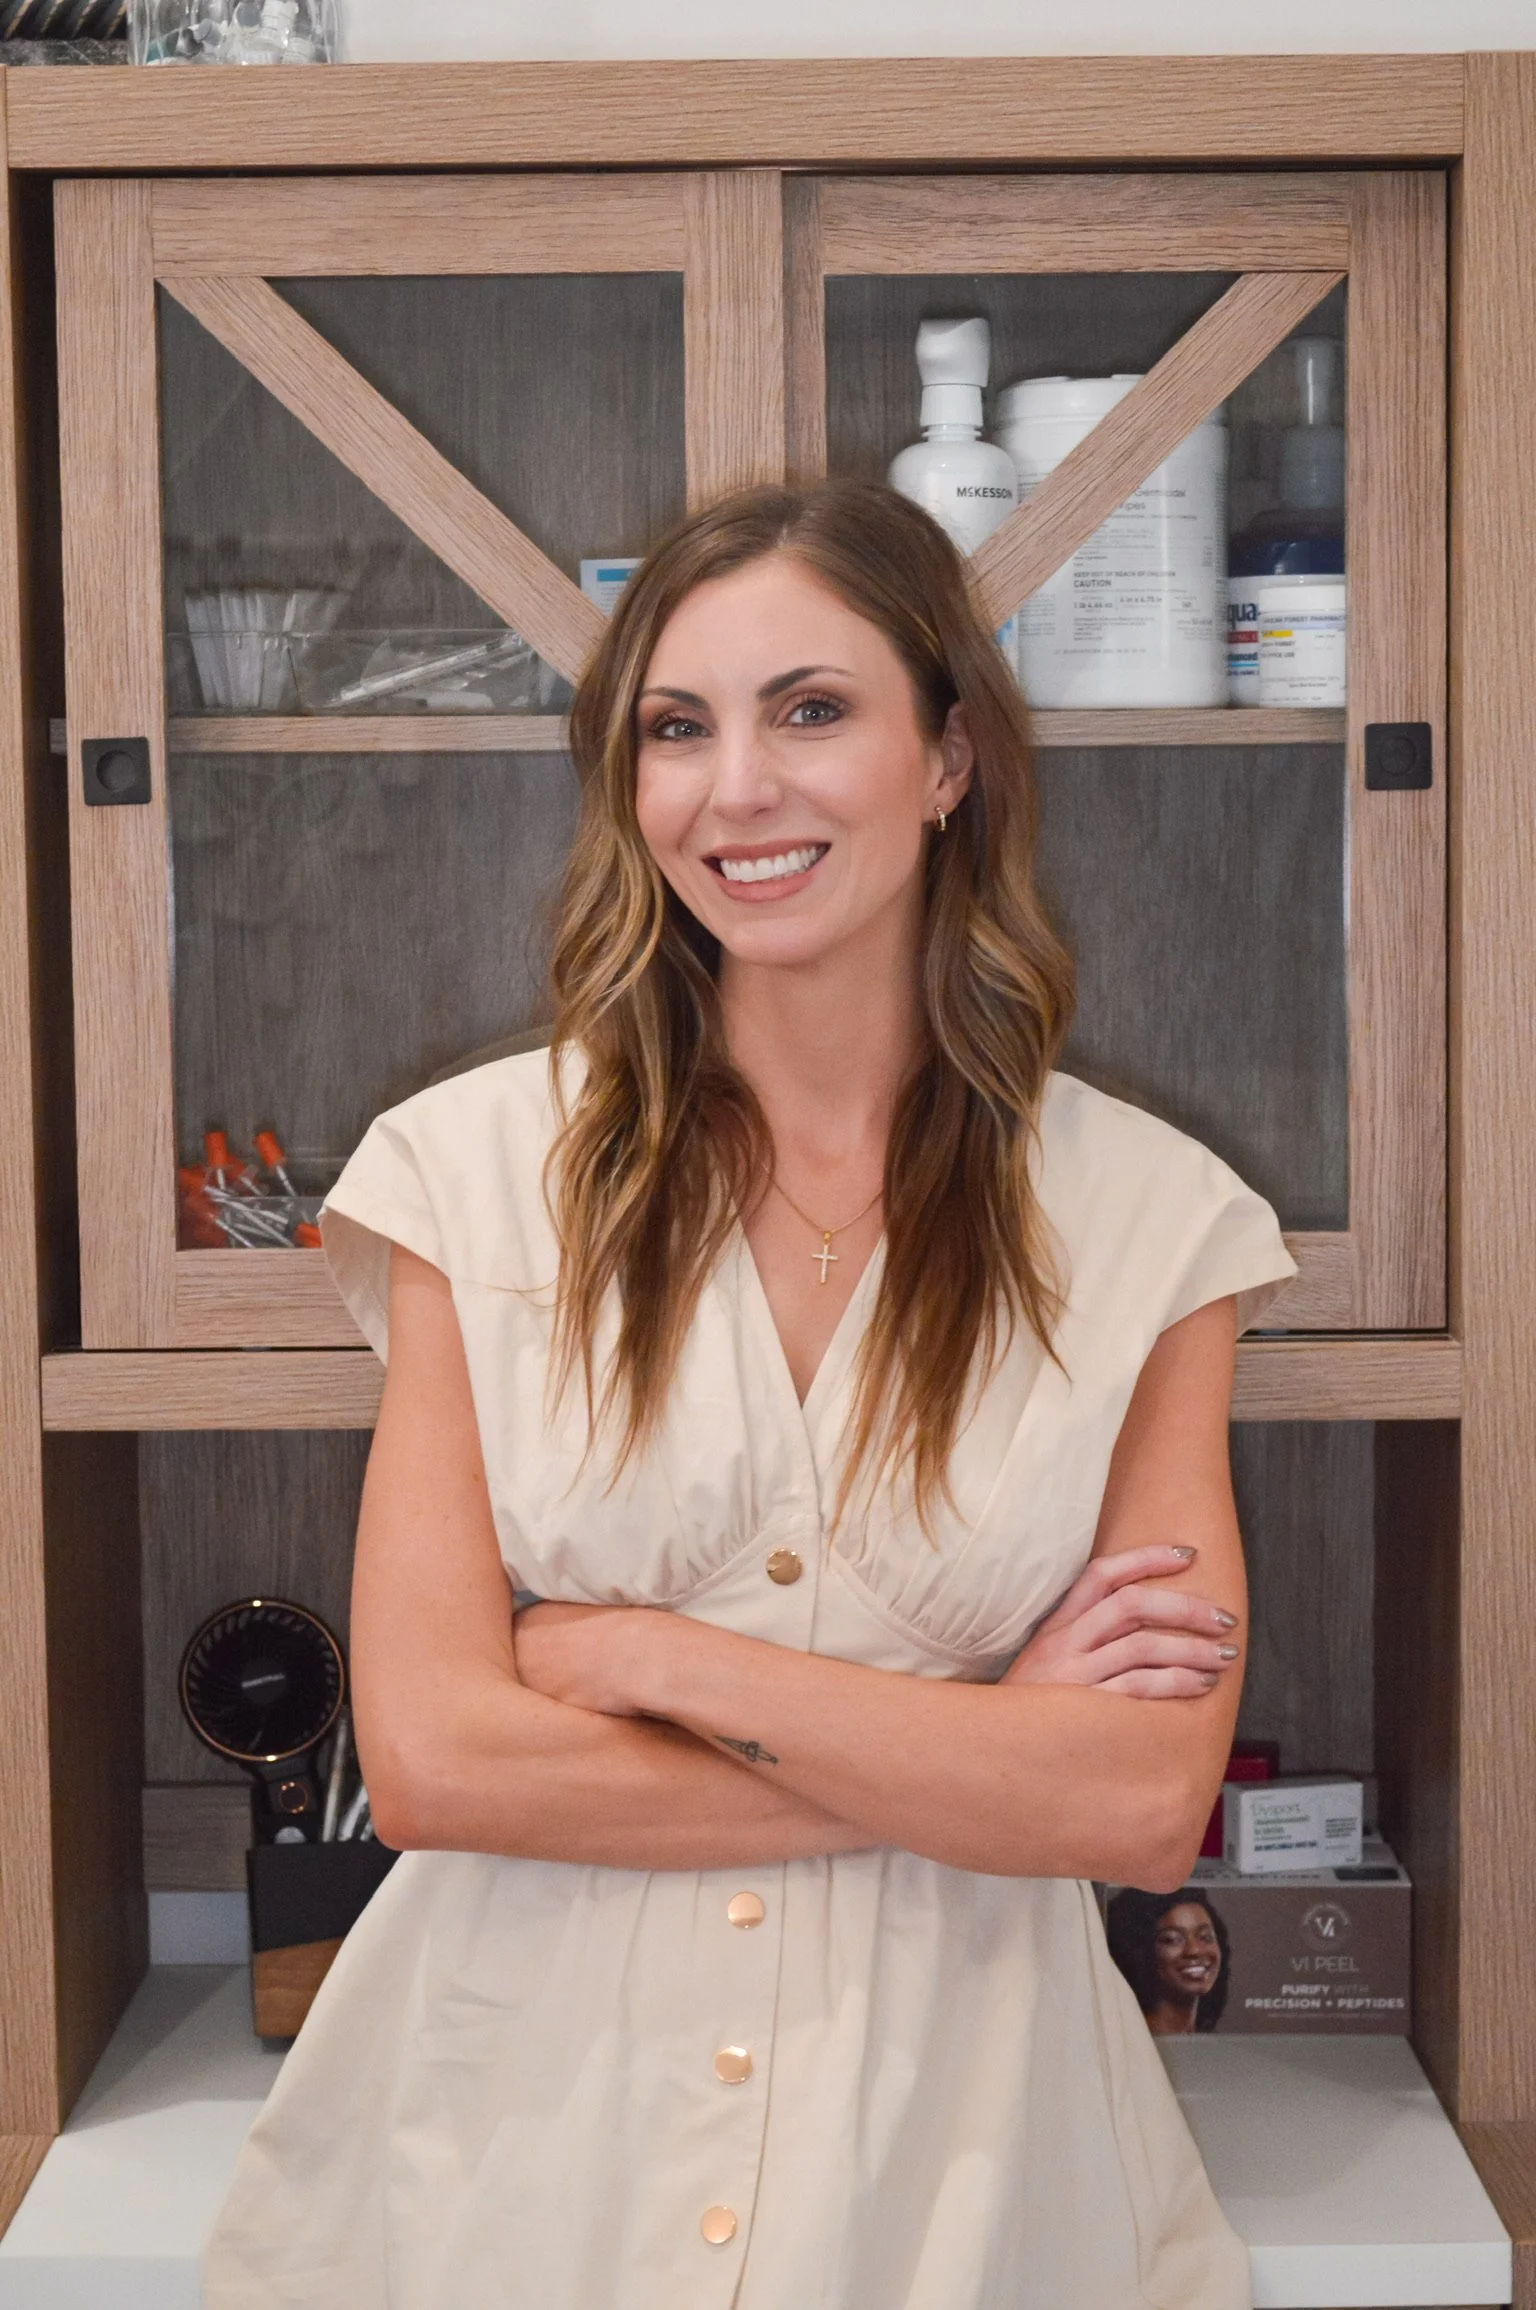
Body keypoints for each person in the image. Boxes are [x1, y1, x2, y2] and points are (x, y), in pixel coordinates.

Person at [203, 479, 1296, 2309]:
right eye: (676, 730)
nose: (737, 791)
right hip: (501, 2176)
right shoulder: (464, 1179)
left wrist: (652, 1660)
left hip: (964, 2178)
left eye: (812, 709)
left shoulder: (1156, 1224)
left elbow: (1129, 1809)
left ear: (949, 757)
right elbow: (439, 1758)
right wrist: (978, 1747)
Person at [1107, 1886, 1234, 2034]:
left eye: (1205, 1937)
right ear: (1140, 1952)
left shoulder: (1207, 2040)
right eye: (1172, 1939)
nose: (1194, 1950)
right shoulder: (1134, 2040)